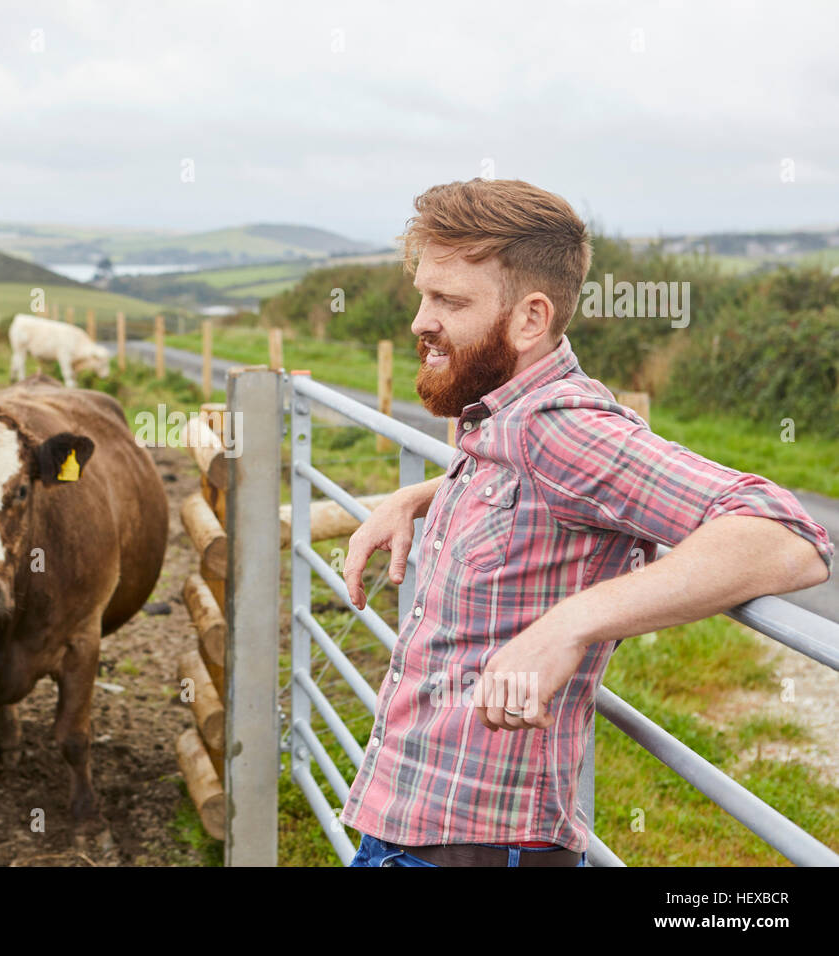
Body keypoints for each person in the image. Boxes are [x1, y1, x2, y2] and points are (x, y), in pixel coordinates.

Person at [340, 178, 833, 867]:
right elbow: (532, 494)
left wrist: (568, 624)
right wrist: (420, 497)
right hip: (417, 825)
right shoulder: (503, 420)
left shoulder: (561, 427)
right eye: (424, 295)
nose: (421, 321)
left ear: (531, 318)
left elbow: (787, 533)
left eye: (449, 301)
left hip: (476, 847)